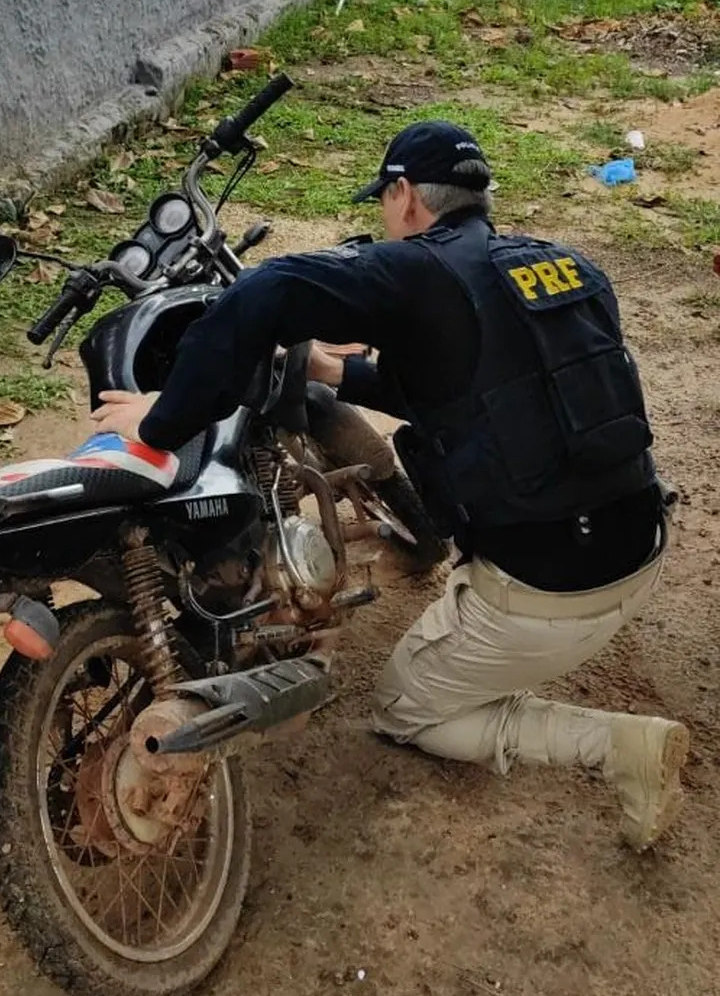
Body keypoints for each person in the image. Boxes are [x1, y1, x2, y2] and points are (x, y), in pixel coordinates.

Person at [93, 119, 686, 850]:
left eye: (385, 199)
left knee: (408, 710)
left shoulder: (420, 270)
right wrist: (330, 369)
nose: (385, 214)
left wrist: (159, 421)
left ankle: (618, 747)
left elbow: (268, 291)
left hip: (553, 592)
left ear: (405, 196)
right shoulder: (560, 266)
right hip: (641, 543)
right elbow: (494, 393)